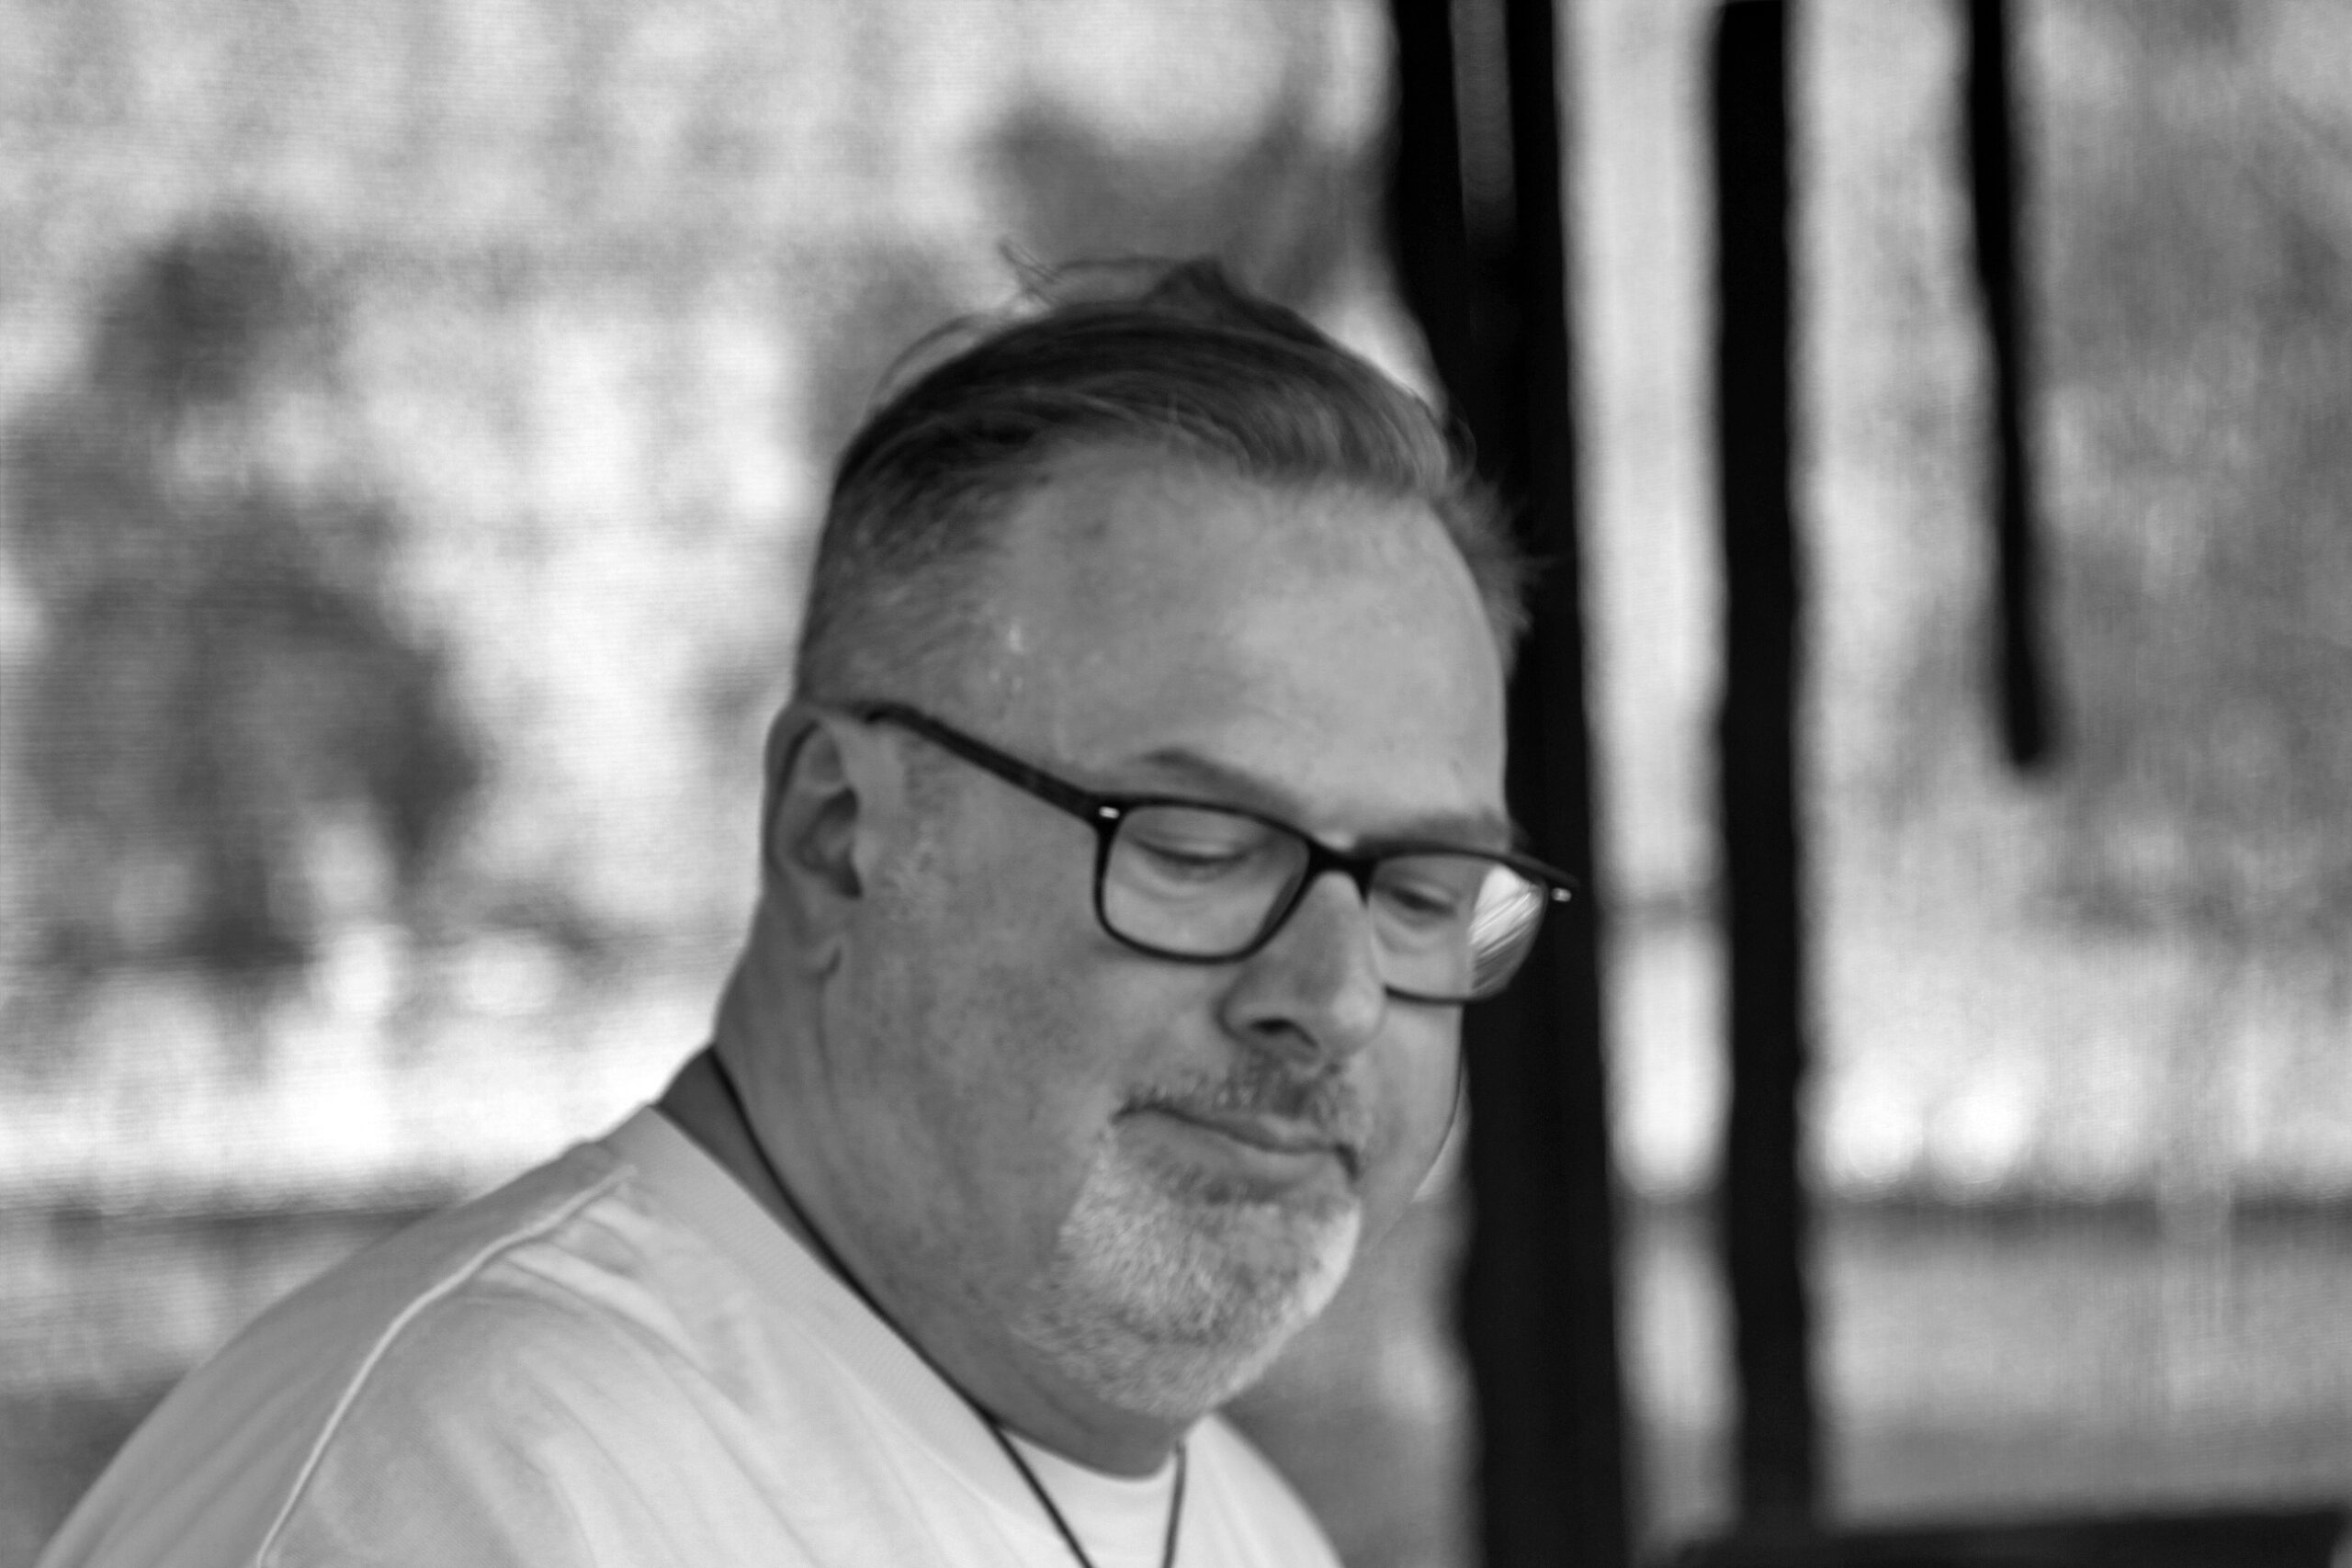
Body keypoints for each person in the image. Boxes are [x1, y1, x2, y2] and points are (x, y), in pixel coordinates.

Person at [38, 261, 1574, 1568]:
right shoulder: (474, 1495)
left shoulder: (1252, 1532)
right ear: (839, 838)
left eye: (1420, 892)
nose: (1335, 997)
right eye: (1200, 845)